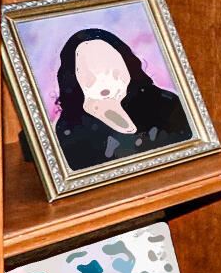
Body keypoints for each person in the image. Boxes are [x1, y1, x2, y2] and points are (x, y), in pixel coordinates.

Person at [49, 27, 196, 170]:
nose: (103, 81)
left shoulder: (167, 103)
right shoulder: (67, 130)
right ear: (73, 78)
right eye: (90, 75)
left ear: (127, 64)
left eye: (110, 70)